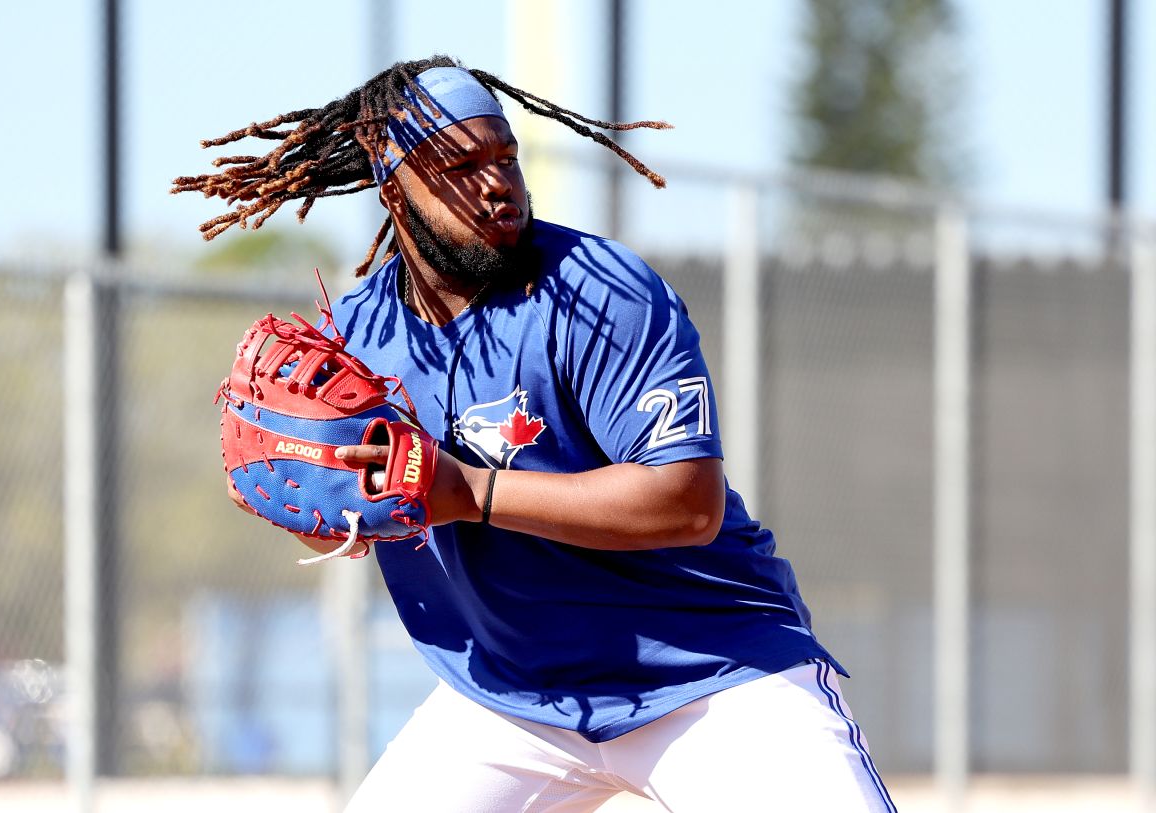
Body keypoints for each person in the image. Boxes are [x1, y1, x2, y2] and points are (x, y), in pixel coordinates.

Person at [175, 55, 896, 813]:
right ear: (395, 190)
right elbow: (345, 518)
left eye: (505, 157)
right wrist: (324, 500)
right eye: (460, 165)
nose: (498, 184)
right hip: (510, 696)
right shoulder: (358, 336)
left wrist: (468, 491)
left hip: (709, 670)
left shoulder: (600, 291)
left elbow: (687, 504)